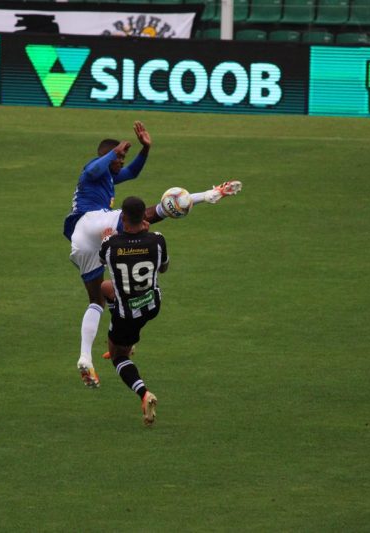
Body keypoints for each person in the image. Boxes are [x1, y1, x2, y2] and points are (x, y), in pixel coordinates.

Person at [63, 120, 241, 388]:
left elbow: (132, 172)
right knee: (141, 215)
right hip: (90, 222)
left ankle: (85, 357)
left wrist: (145, 149)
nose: (121, 164)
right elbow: (95, 167)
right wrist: (114, 152)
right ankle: (207, 196)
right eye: (118, 160)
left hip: (81, 240)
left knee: (96, 300)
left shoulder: (109, 175)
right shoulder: (92, 170)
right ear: (107, 158)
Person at [98, 197, 169, 426]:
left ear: (123, 218)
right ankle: (126, 340)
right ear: (144, 218)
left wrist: (107, 237)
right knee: (106, 288)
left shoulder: (110, 245)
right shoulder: (157, 241)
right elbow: (164, 267)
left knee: (118, 355)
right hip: (152, 304)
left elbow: (103, 258)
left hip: (127, 313)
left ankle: (144, 394)